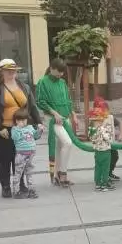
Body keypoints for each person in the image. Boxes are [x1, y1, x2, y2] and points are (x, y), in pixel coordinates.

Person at [0, 58, 42, 198]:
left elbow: (32, 106)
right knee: (4, 159)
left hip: (22, 128)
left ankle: (20, 184)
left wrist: (39, 122)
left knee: (21, 158)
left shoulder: (24, 86)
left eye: (13, 70)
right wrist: (0, 127)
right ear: (1, 72)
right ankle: (6, 186)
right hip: (4, 130)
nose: (11, 73)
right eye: (8, 71)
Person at [35, 58, 76, 187]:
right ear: (52, 68)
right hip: (53, 119)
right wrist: (54, 113)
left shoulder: (62, 82)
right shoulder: (42, 82)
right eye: (59, 71)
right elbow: (40, 101)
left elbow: (68, 99)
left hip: (65, 118)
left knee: (61, 146)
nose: (61, 74)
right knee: (68, 143)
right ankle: (62, 174)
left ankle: (58, 175)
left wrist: (73, 114)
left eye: (62, 72)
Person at [10, 108, 43, 199]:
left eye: (24, 120)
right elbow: (15, 138)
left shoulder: (30, 127)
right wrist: (19, 128)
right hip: (21, 154)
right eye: (19, 120)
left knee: (29, 172)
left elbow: (36, 136)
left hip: (31, 153)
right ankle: (16, 191)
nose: (22, 122)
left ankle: (31, 190)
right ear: (16, 121)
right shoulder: (15, 129)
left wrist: (39, 130)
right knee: (18, 172)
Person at [93, 97, 122, 182]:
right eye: (102, 110)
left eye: (106, 110)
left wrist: (121, 134)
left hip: (111, 143)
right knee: (102, 161)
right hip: (102, 146)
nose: (104, 112)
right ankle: (102, 178)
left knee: (115, 157)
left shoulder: (110, 117)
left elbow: (120, 123)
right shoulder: (96, 119)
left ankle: (109, 173)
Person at [88, 107, 114, 192]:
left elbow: (110, 139)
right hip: (103, 151)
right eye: (96, 121)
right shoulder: (95, 130)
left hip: (101, 151)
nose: (97, 123)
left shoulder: (97, 129)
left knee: (99, 167)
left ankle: (99, 184)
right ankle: (102, 184)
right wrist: (101, 130)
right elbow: (108, 139)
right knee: (102, 168)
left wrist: (100, 130)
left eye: (99, 121)